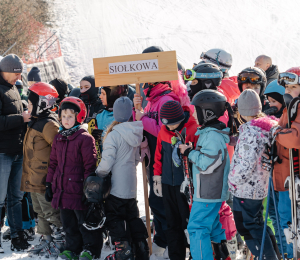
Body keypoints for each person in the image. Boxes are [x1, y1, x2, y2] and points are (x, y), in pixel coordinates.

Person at [133, 69, 190, 256]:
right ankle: (162, 239)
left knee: (163, 203)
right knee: (156, 201)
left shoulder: (166, 99)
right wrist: (139, 112)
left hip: (168, 164)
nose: (142, 87)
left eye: (145, 82)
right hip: (155, 160)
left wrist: (142, 118)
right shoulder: (153, 100)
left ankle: (167, 241)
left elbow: (164, 131)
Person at [46, 96, 102, 260]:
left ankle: (90, 249)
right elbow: (53, 163)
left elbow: (89, 166)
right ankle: (72, 248)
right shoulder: (58, 137)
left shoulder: (85, 138)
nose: (66, 120)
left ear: (79, 117)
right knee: (68, 223)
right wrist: (49, 184)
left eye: (70, 116)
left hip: (78, 191)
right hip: (62, 191)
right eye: (63, 116)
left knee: (84, 223)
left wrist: (88, 191)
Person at [179, 89, 232, 260]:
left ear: (207, 112)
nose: (193, 113)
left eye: (196, 110)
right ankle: (221, 255)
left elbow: (208, 164)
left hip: (208, 193)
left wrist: (189, 153)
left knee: (197, 228)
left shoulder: (212, 136)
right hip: (209, 191)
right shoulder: (210, 134)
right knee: (213, 225)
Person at [228, 89, 279, 259]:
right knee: (257, 225)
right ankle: (272, 255)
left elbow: (246, 164)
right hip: (258, 187)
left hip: (245, 189)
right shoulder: (264, 128)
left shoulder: (250, 132)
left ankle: (265, 256)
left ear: (241, 112)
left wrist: (232, 180)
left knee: (248, 227)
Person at [96, 97, 149, 260]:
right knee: (132, 216)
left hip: (117, 185)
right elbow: (135, 160)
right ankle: (141, 247)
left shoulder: (113, 135)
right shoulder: (135, 132)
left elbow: (107, 162)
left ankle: (123, 249)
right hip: (131, 184)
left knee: (114, 216)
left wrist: (98, 174)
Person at [21, 82, 63, 257]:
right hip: (33, 178)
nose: (28, 107)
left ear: (42, 103)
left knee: (50, 211)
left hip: (45, 179)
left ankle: (61, 240)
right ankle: (47, 239)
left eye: (31, 103)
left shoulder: (48, 125)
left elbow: (59, 151)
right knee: (39, 211)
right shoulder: (34, 122)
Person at [153, 100, 198, 260]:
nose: (169, 127)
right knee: (172, 223)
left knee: (189, 222)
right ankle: (176, 256)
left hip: (186, 184)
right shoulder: (164, 131)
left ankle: (195, 253)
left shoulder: (192, 129)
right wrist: (157, 177)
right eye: (166, 124)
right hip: (167, 183)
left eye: (172, 124)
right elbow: (158, 156)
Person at [0, 54, 31, 252]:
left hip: (17, 151)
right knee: (0, 198)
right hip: (2, 152)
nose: (18, 78)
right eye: (15, 74)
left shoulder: (13, 88)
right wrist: (21, 118)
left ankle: (17, 235)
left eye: (20, 74)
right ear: (5, 70)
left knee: (16, 198)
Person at [272, 67, 300, 259]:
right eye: (287, 87)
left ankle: (293, 254)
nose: (288, 91)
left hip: (293, 177)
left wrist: (275, 133)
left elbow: (293, 138)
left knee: (291, 222)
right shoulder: (290, 108)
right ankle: (290, 254)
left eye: (293, 86)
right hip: (284, 177)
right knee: (286, 221)